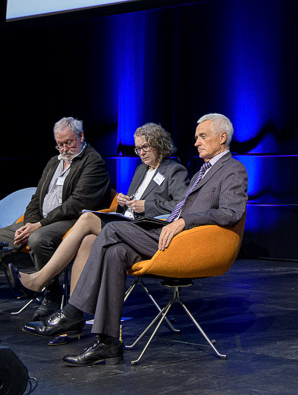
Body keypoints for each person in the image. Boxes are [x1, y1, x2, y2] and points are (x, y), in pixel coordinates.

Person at [25, 113, 247, 366]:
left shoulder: (233, 169)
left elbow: (231, 213)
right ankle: (108, 342)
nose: (196, 142)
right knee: (114, 252)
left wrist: (184, 221)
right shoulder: (203, 171)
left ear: (222, 137)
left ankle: (73, 312)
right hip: (165, 231)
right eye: (196, 137)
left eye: (202, 136)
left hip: (186, 241)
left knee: (109, 230)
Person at [16, 123, 187, 300]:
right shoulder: (141, 169)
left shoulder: (174, 169)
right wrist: (124, 202)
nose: (141, 153)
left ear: (158, 144)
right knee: (87, 240)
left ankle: (39, 280)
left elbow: (182, 205)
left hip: (145, 229)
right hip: (127, 222)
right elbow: (133, 202)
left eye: (145, 147)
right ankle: (73, 308)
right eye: (137, 149)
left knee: (87, 218)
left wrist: (147, 206)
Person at [0, 117, 111, 318]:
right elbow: (37, 198)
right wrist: (30, 223)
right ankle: (32, 287)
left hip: (72, 221)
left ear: (81, 136)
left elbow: (76, 204)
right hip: (40, 221)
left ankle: (50, 292)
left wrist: (39, 225)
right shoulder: (54, 162)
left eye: (69, 142)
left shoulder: (93, 162)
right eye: (60, 144)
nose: (64, 149)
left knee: (39, 238)